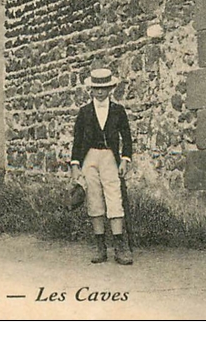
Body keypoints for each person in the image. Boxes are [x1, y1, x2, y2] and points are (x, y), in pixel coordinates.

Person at [70, 68, 134, 265]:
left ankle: (120, 246)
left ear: (110, 89)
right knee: (94, 199)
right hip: (89, 157)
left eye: (104, 88)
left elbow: (127, 138)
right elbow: (77, 140)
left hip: (109, 157)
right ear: (91, 89)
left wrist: (124, 159)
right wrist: (75, 165)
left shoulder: (118, 111)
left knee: (114, 198)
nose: (100, 92)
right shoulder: (84, 112)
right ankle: (100, 246)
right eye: (96, 89)